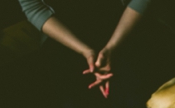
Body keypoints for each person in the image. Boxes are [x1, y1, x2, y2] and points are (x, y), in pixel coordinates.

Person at [19, 0, 152, 98]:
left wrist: (112, 47)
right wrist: (85, 51)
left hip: (119, 22)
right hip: (65, 34)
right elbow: (35, 9)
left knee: (134, 101)